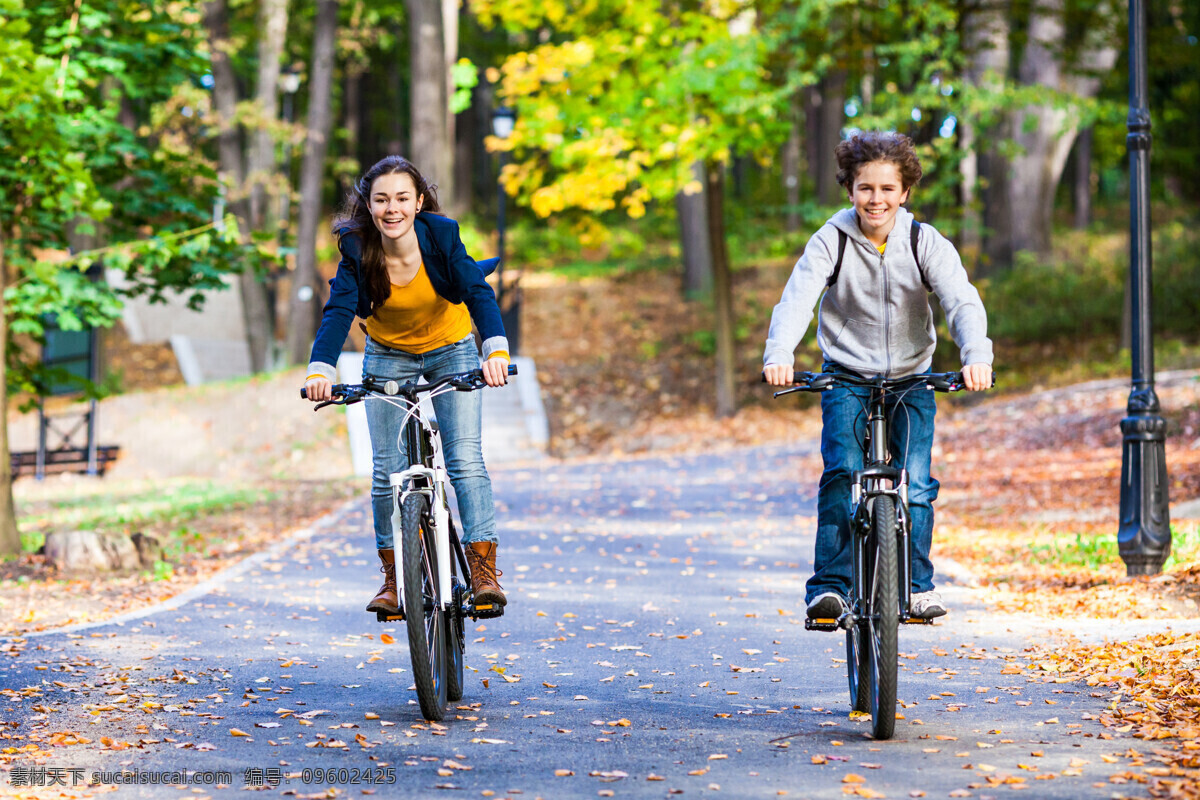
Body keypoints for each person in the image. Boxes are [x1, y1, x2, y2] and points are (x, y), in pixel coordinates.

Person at [762, 131, 993, 621]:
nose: (876, 199)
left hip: (912, 377)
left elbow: (961, 300)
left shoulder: (922, 241)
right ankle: (829, 589)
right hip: (846, 375)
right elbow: (797, 298)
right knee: (843, 471)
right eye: (866, 188)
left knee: (918, 483)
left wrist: (976, 356)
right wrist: (779, 352)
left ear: (904, 192)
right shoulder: (831, 240)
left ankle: (916, 586)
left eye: (888, 189)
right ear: (850, 190)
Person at [304, 155, 510, 615]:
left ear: (418, 202)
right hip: (387, 354)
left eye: (401, 198)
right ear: (369, 206)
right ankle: (396, 580)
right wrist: (321, 369)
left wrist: (494, 349)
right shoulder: (358, 248)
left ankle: (482, 572)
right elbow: (339, 310)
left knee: (465, 459)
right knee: (385, 471)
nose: (391, 209)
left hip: (450, 346)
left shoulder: (441, 234)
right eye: (381, 200)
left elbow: (477, 291)